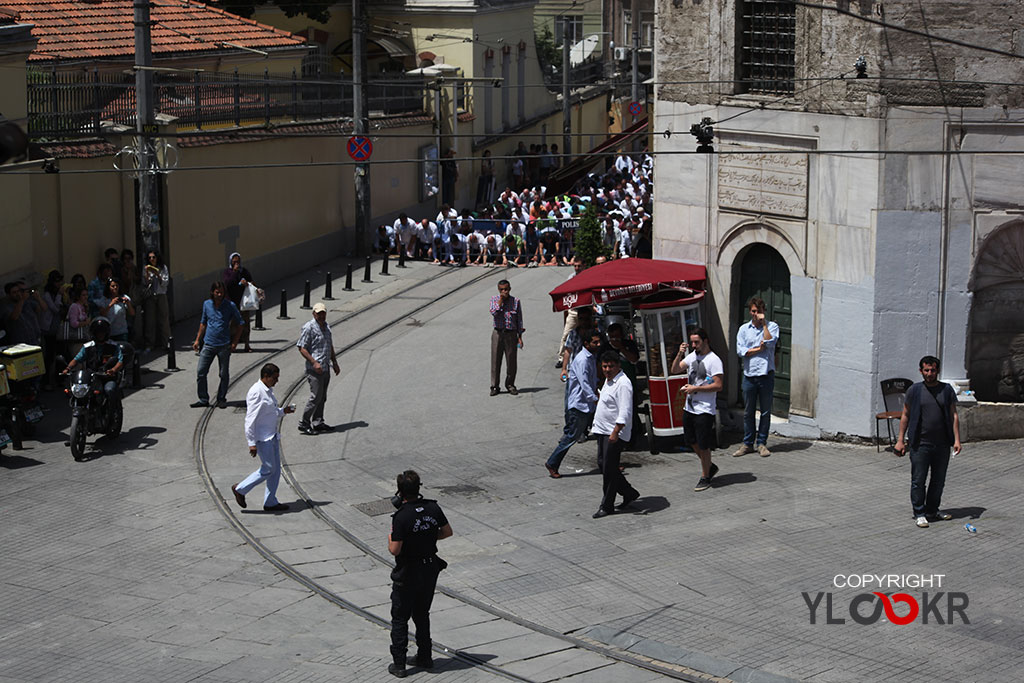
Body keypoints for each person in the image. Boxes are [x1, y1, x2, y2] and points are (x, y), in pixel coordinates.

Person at [387, 469, 452, 678]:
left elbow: (394, 549)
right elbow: (447, 532)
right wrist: (427, 537)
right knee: (422, 614)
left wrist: (390, 536)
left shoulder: (401, 516)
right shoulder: (433, 507)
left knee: (400, 618)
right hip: (429, 569)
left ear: (400, 492)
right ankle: (425, 656)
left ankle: (399, 664)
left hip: (407, 573)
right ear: (418, 488)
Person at [895, 356, 962, 528]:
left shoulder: (946, 390)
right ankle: (919, 512)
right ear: (921, 371)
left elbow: (954, 415)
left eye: (932, 370)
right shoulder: (914, 390)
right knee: (919, 480)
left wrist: (957, 440)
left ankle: (932, 510)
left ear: (937, 370)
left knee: (938, 480)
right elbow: (906, 415)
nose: (929, 373)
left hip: (942, 444)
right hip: (920, 444)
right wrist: (900, 440)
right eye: (926, 370)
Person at [231, 363, 294, 513]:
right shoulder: (257, 392)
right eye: (275, 378)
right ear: (266, 376)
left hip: (271, 436)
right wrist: (251, 443)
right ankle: (240, 489)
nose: (277, 381)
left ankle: (270, 502)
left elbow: (269, 412)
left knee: (276, 470)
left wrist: (283, 411)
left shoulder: (268, 391)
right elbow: (250, 419)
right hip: (262, 439)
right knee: (268, 469)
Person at [671, 328, 725, 492]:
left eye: (697, 342)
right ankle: (709, 466)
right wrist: (679, 353)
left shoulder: (714, 360)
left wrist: (696, 388)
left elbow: (718, 385)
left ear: (706, 341)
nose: (694, 345)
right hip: (690, 407)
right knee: (690, 441)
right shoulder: (692, 356)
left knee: (703, 444)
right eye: (692, 342)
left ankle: (705, 476)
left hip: (704, 409)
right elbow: (674, 369)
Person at [546, 329, 601, 478]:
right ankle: (553, 462)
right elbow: (584, 385)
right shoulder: (583, 360)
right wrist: (596, 399)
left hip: (588, 404)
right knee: (571, 437)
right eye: (594, 342)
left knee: (602, 432)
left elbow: (591, 380)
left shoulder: (590, 357)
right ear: (586, 343)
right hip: (580, 406)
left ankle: (605, 462)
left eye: (598, 341)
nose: (598, 344)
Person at [591, 352, 640, 518]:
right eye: (604, 366)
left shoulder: (623, 384)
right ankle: (629, 492)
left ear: (618, 366)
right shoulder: (608, 380)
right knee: (603, 464)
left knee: (609, 470)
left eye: (611, 366)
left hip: (614, 433)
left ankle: (607, 505)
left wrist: (616, 432)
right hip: (602, 429)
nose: (607, 369)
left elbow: (625, 411)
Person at [733, 297, 780, 457]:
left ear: (763, 311)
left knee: (765, 411)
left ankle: (762, 443)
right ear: (750, 311)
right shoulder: (744, 329)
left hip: (766, 375)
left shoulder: (772, 326)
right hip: (749, 375)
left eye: (758, 311)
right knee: (748, 412)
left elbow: (770, 342)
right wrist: (758, 350)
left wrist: (764, 324)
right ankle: (747, 443)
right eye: (753, 311)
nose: (756, 315)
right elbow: (741, 351)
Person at [191, 281, 243, 409]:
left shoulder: (230, 305)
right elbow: (203, 323)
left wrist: (235, 341)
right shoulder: (206, 305)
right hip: (208, 344)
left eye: (222, 292)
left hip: (224, 346)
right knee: (201, 372)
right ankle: (203, 398)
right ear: (212, 292)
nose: (219, 295)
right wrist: (197, 340)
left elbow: (241, 323)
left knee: (223, 374)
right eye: (217, 292)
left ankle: (221, 398)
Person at [61, 317, 123, 412]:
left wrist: (113, 370)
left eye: (102, 332)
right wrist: (68, 368)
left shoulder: (114, 346)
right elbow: (76, 359)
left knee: (109, 390)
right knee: (77, 391)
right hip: (91, 377)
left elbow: (120, 361)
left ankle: (111, 412)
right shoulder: (88, 346)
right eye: (98, 332)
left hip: (106, 377)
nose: (100, 335)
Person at [296, 302, 340, 435]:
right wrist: (314, 362)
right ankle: (304, 423)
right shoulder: (309, 327)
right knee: (315, 397)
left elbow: (329, 345)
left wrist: (334, 362)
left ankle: (318, 422)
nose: (321, 316)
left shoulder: (326, 327)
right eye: (318, 313)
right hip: (314, 370)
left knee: (322, 397)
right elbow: (301, 347)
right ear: (313, 313)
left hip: (325, 367)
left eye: (323, 313)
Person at [489, 279, 524, 396]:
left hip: (511, 334)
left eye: (506, 289)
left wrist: (520, 336)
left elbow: (519, 320)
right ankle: (494, 386)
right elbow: (493, 312)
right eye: (502, 290)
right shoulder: (494, 300)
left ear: (510, 289)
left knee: (511, 361)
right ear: (498, 290)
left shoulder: (516, 301)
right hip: (498, 333)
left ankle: (510, 384)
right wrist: (501, 301)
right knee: (495, 360)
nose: (504, 292)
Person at [222, 252, 259, 353]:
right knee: (231, 324)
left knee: (245, 324)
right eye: (234, 262)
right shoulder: (227, 272)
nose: (237, 264)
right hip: (232, 303)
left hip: (244, 302)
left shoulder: (244, 271)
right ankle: (231, 344)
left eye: (238, 262)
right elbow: (227, 283)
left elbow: (252, 282)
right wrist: (234, 272)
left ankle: (247, 344)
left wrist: (247, 283)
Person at [141, 251, 171, 353]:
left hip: (161, 294)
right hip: (150, 295)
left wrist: (158, 275)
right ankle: (149, 344)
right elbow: (145, 283)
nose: (152, 259)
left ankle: (166, 342)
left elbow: (165, 283)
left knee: (164, 319)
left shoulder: (163, 268)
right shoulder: (146, 268)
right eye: (150, 258)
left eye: (153, 257)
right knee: (150, 320)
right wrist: (147, 275)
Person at [1, 281, 43, 346]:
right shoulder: (7, 308)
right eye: (14, 292)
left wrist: (37, 298)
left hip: (36, 340)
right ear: (8, 295)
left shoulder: (27, 303)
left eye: (18, 291)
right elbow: (14, 317)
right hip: (21, 344)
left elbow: (41, 310)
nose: (18, 294)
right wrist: (22, 300)